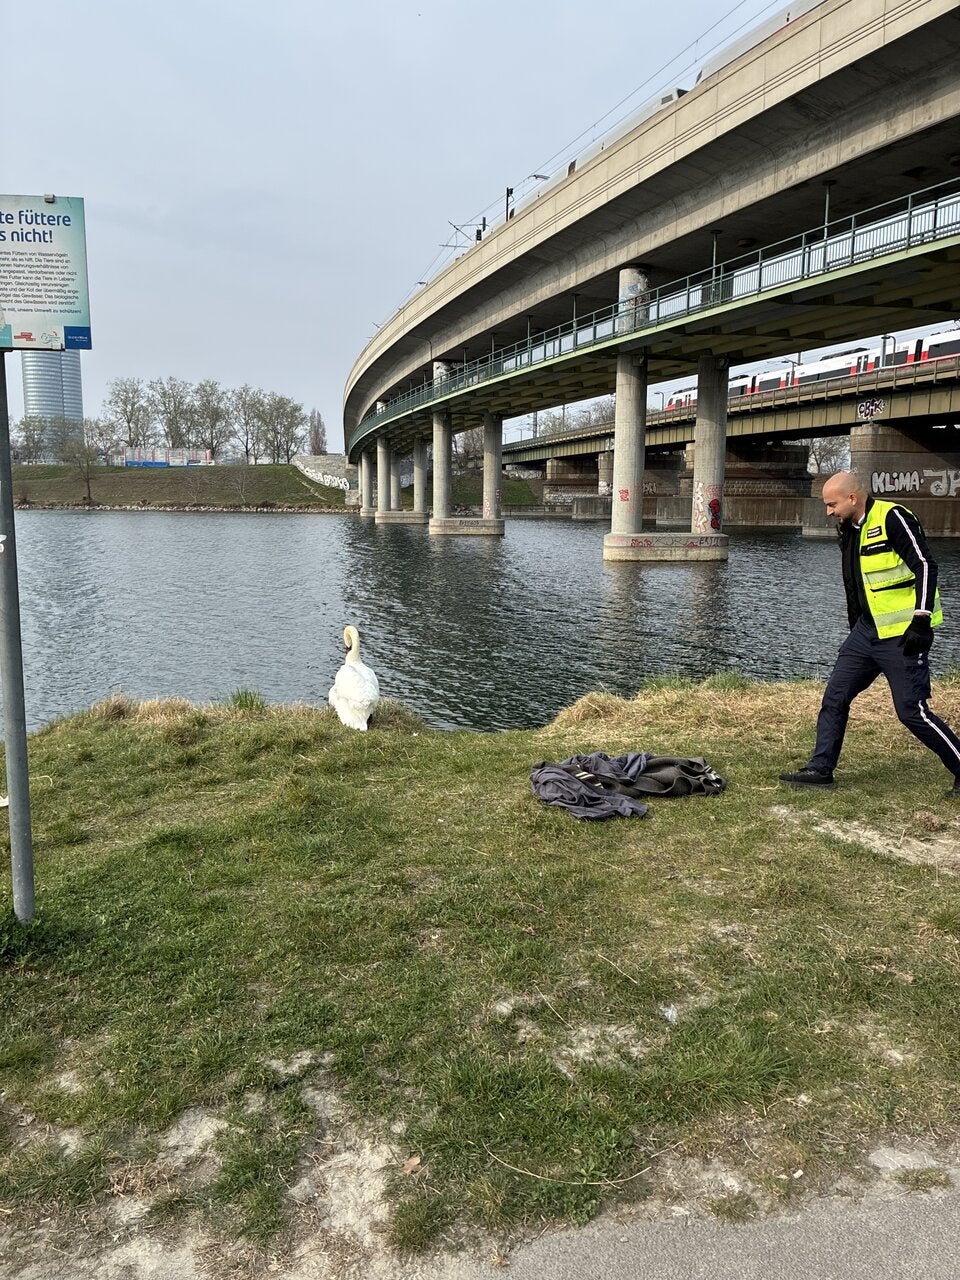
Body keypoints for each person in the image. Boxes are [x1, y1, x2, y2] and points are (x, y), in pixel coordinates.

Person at [780, 471, 960, 797]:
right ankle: (821, 769)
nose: (828, 511)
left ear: (852, 498)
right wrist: (855, 627)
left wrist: (921, 621)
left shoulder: (893, 517)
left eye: (832, 504)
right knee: (835, 697)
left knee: (911, 713)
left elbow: (924, 565)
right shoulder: (849, 528)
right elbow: (856, 582)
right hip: (865, 633)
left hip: (904, 634)